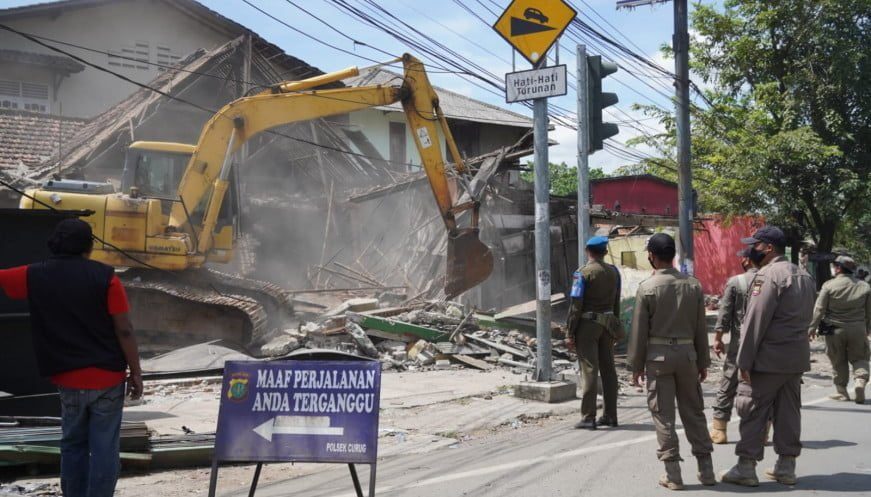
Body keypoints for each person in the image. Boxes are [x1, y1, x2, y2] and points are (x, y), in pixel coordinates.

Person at [0, 218, 143, 497]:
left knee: (73, 444)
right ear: (89, 247)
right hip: (108, 378)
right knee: (104, 448)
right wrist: (136, 371)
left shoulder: (34, 274)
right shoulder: (107, 279)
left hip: (68, 378)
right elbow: (124, 330)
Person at [721, 225, 815, 487]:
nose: (752, 249)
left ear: (768, 248)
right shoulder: (804, 276)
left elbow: (754, 322)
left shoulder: (767, 276)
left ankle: (746, 467)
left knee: (752, 410)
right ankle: (786, 467)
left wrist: (744, 361)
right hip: (795, 358)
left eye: (756, 245)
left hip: (768, 360)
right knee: (788, 413)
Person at [628, 233, 714, 490]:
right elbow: (701, 327)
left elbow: (639, 331)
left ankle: (673, 474)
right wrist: (703, 361)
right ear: (673, 256)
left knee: (663, 416)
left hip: (658, 359)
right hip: (688, 356)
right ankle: (706, 469)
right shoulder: (693, 285)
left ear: (652, 257)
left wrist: (636, 366)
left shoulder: (647, 288)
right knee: (694, 413)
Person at [565, 235, 622, 430]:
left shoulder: (582, 273)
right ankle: (611, 415)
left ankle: (588, 417)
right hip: (608, 325)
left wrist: (569, 332)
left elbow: (575, 306)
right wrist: (615, 327)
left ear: (587, 251)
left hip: (587, 326)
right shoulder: (614, 272)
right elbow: (616, 303)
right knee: (609, 370)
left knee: (589, 369)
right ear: (604, 252)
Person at [709, 248, 759, 444]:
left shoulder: (736, 282)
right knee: (762, 385)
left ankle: (719, 429)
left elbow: (725, 314)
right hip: (765, 343)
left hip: (739, 343)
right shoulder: (772, 280)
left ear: (746, 260)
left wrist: (718, 338)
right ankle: (763, 431)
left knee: (729, 382)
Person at [808, 255, 870, 403]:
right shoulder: (864, 286)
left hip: (833, 329)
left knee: (838, 360)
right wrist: (867, 328)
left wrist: (811, 328)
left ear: (838, 268)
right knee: (860, 357)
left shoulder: (829, 285)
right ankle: (860, 380)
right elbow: (869, 312)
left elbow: (819, 309)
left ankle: (842, 392)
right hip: (857, 328)